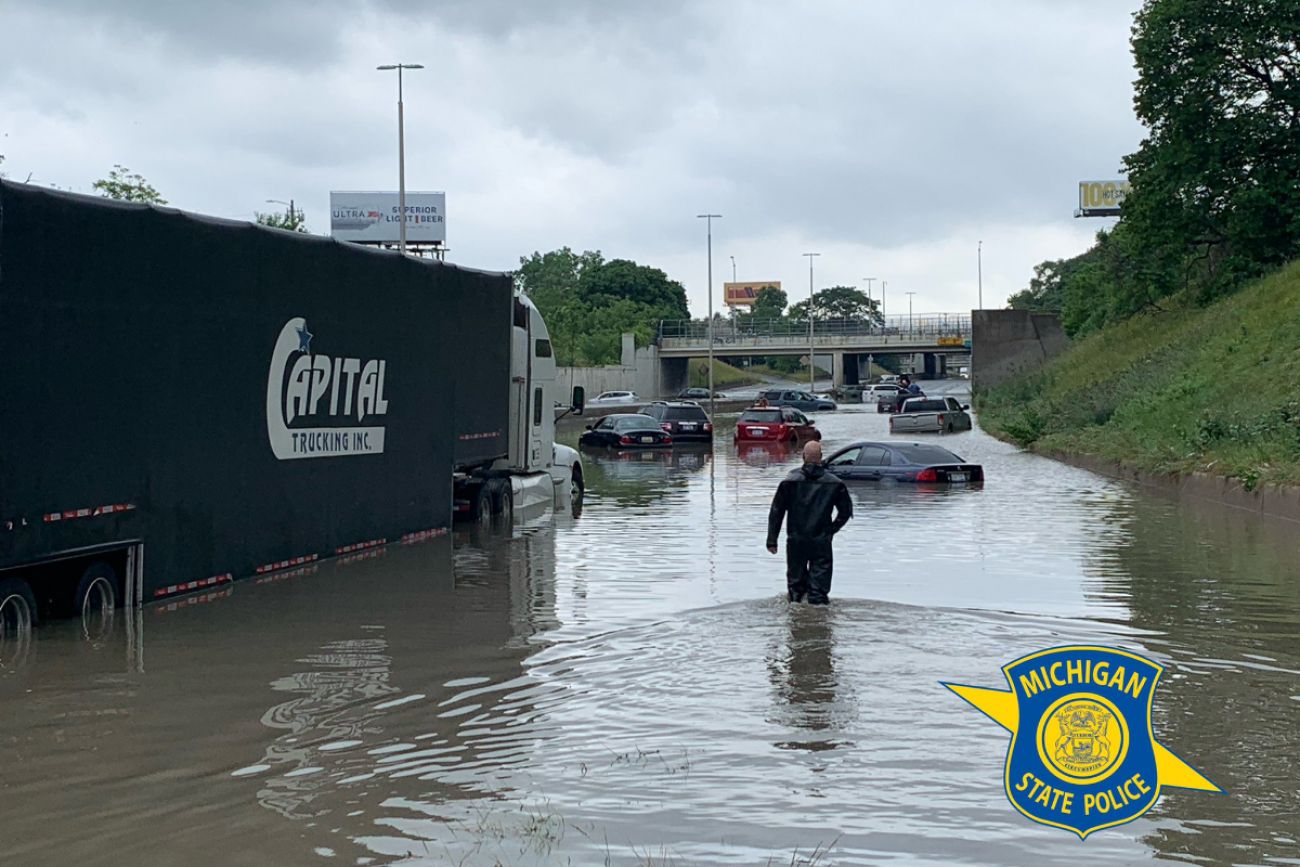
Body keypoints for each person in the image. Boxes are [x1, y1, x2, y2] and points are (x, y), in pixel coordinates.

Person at [765, 441, 853, 604]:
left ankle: (797, 619)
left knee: (795, 587)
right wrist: (831, 530)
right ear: (820, 457)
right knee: (819, 590)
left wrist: (772, 540)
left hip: (796, 539)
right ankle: (819, 620)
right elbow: (846, 512)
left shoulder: (789, 481)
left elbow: (777, 511)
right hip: (821, 540)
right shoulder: (835, 483)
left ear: (803, 457)